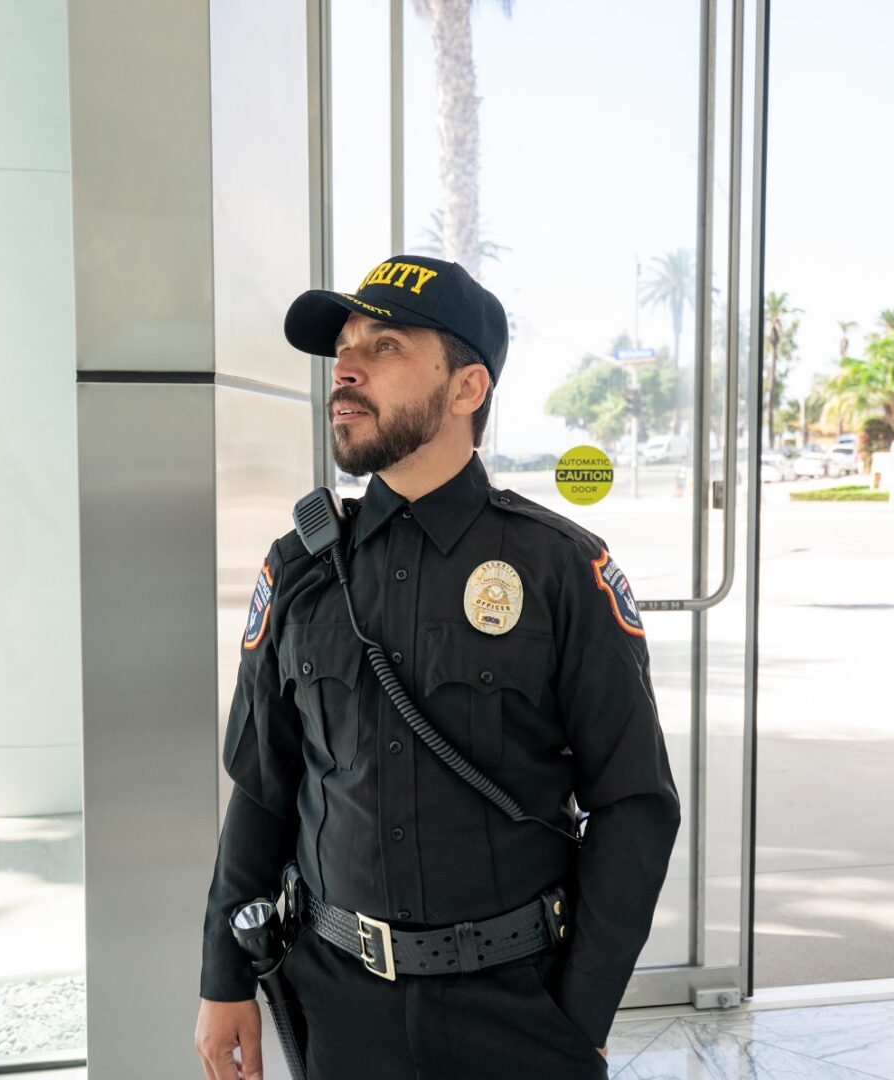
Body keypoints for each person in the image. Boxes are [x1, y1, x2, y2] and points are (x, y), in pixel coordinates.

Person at [195, 255, 680, 1080]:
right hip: (336, 1004)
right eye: (343, 346)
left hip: (519, 1010)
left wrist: (583, 1015)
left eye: (383, 345)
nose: (345, 369)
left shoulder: (559, 569)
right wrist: (223, 978)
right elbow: (267, 786)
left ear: (466, 389)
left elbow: (634, 805)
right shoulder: (301, 566)